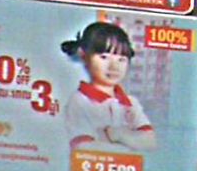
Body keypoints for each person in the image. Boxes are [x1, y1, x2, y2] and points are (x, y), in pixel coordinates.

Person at [61, 21, 157, 151]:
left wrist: (121, 135)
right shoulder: (79, 101)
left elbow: (150, 142)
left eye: (121, 59)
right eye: (104, 57)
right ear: (84, 56)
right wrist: (131, 144)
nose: (114, 67)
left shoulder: (131, 103)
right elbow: (83, 147)